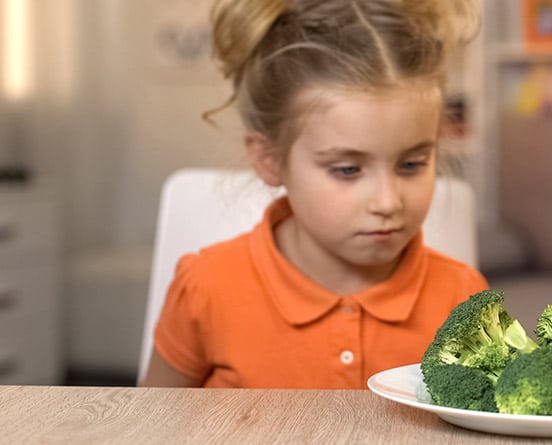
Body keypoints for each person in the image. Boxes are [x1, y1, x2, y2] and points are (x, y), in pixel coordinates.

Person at [142, 0, 487, 388]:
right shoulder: (206, 287)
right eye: (348, 170)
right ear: (270, 159)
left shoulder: (463, 295)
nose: (388, 202)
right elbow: (154, 422)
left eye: (411, 165)